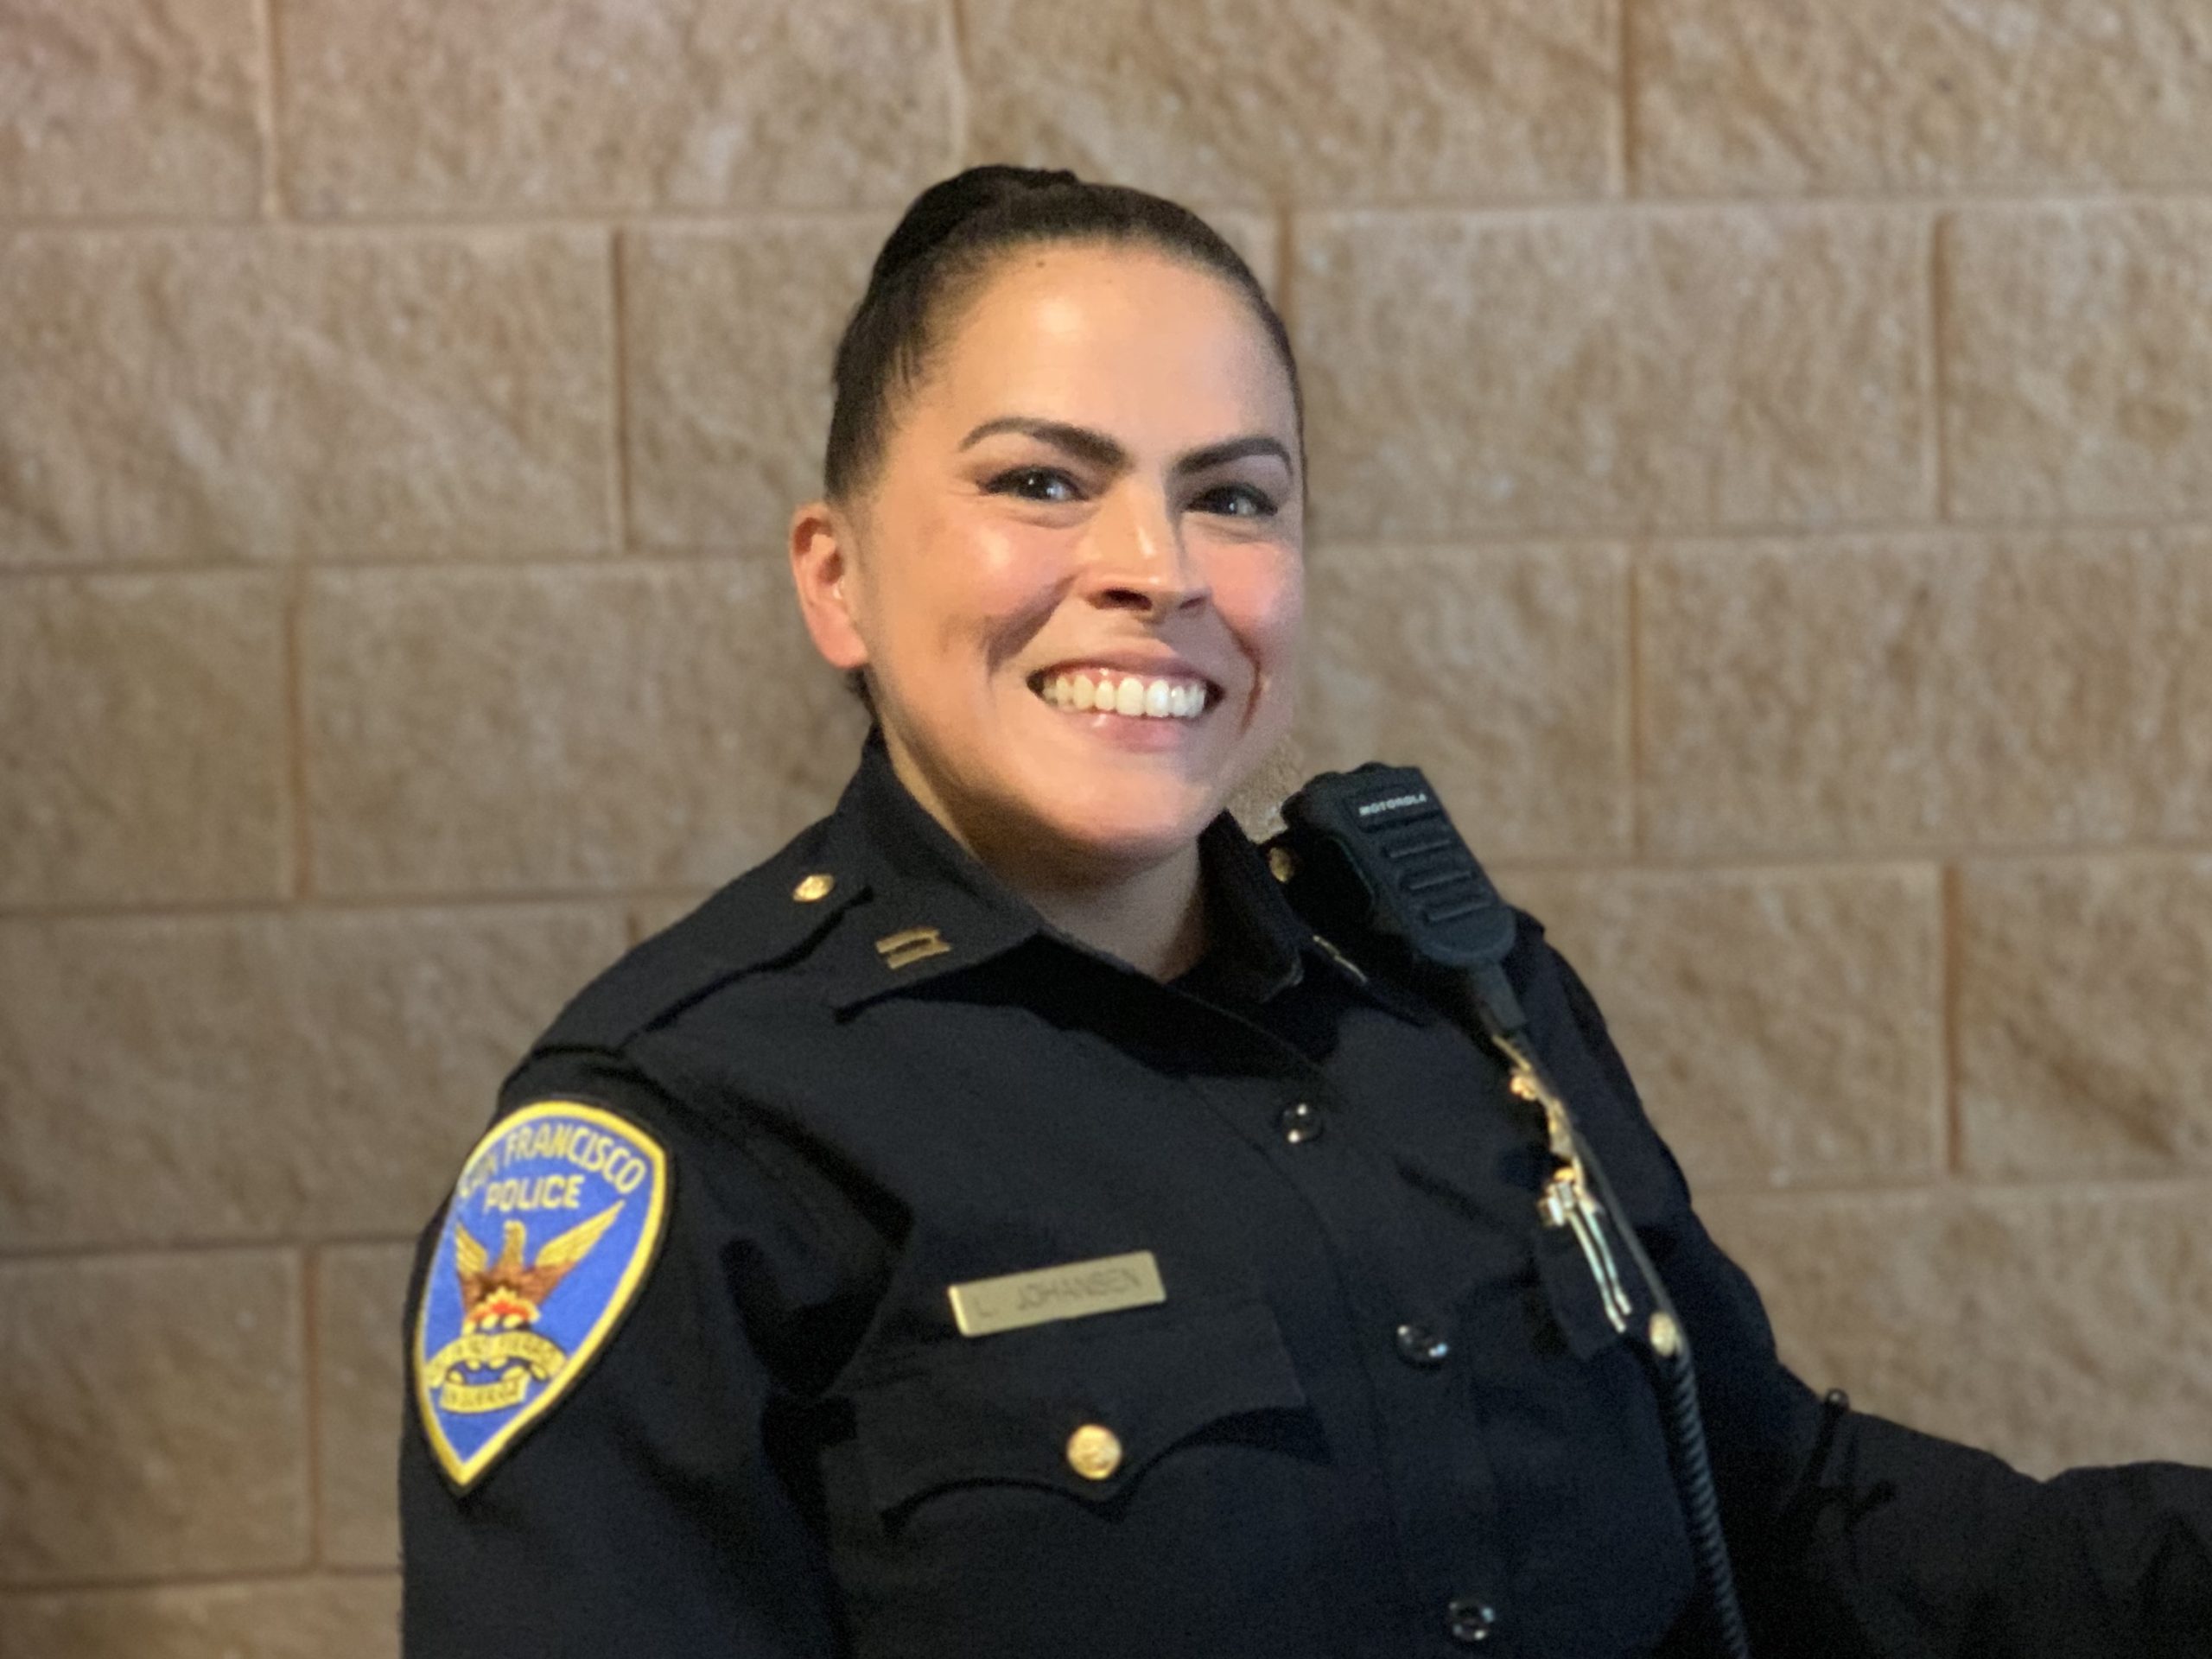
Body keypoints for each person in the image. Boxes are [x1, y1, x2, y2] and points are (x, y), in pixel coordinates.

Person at [398, 166, 2211, 1658]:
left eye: (1231, 498)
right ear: (837, 578)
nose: (1154, 571)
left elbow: (1782, 1518)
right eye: (1042, 481)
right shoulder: (687, 1138)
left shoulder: (1457, 1006)